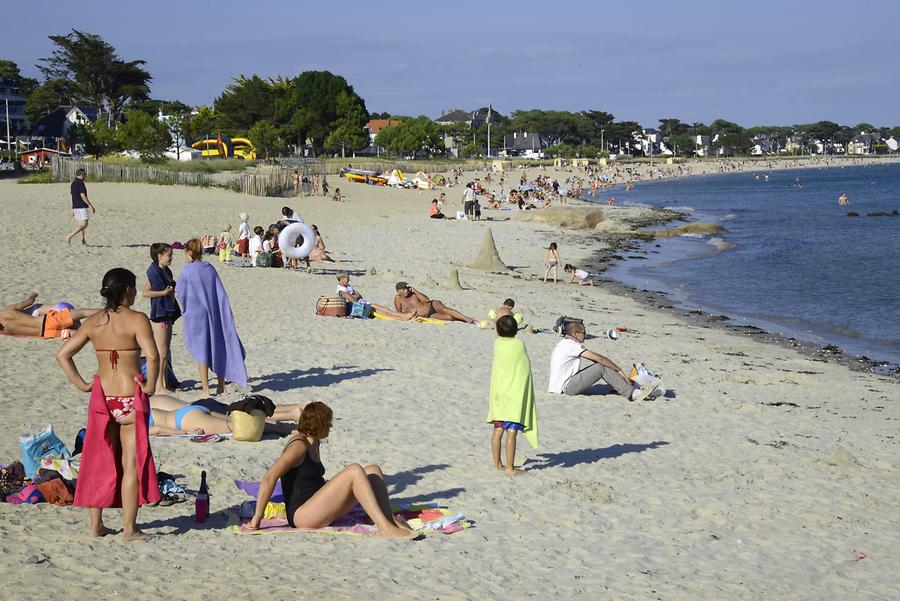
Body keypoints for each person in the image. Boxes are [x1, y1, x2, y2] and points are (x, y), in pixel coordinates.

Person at [56, 268, 161, 539]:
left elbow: (63, 355)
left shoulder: (94, 322)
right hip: (129, 399)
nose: (136, 293)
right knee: (131, 463)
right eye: (134, 289)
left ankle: (96, 525)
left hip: (103, 398)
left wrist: (82, 384)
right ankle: (129, 528)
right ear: (126, 291)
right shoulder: (138, 320)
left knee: (98, 460)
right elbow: (153, 356)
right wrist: (150, 386)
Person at [247, 402, 415, 538]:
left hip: (317, 505)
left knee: (373, 470)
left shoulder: (315, 441)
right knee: (354, 470)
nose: (331, 426)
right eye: (328, 423)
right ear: (318, 425)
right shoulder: (298, 446)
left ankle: (389, 521)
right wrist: (257, 518)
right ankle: (384, 528)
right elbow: (269, 477)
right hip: (302, 515)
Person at [177, 238, 248, 396]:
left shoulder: (187, 270)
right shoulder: (209, 268)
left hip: (197, 315)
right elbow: (218, 290)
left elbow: (181, 292)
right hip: (214, 312)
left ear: (189, 252)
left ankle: (205, 389)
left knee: (201, 350)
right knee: (217, 346)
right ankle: (221, 385)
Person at [547, 321, 662, 401]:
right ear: (576, 334)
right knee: (601, 366)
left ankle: (619, 386)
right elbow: (599, 358)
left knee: (600, 365)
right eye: (584, 333)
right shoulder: (571, 345)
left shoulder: (564, 343)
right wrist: (619, 370)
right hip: (565, 388)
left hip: (561, 386)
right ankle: (632, 394)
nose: (585, 336)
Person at [487, 315, 538, 475]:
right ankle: (510, 468)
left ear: (497, 331)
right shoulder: (519, 344)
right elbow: (524, 368)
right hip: (514, 394)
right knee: (511, 432)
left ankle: (497, 464)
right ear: (516, 330)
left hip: (499, 394)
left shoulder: (497, 344)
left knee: (498, 430)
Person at [148, 394, 308, 436]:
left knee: (240, 426)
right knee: (237, 418)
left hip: (184, 421)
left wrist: (184, 433)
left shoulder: (131, 424)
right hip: (189, 410)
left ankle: (292, 429)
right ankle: (293, 419)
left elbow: (157, 430)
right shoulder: (141, 406)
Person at [142, 243, 181, 393]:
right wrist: (163, 293)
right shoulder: (154, 273)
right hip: (159, 316)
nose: (171, 257)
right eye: (169, 255)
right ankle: (159, 386)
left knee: (164, 353)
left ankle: (163, 383)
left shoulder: (165, 271)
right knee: (161, 353)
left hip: (166, 314)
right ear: (159, 256)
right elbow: (145, 293)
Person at [0, 293, 99, 338]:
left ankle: (105, 336)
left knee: (82, 335)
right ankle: (112, 312)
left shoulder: (3, 331)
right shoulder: (8, 310)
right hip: (47, 321)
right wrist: (33, 294)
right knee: (84, 313)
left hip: (47, 333)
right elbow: (29, 302)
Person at [335, 272, 414, 320]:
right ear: (341, 278)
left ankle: (405, 315)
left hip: (363, 303)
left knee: (385, 308)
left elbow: (359, 296)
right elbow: (354, 300)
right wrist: (356, 296)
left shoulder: (347, 286)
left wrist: (357, 296)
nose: (349, 279)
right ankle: (403, 318)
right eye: (347, 278)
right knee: (384, 313)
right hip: (359, 307)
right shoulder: (342, 290)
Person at [393, 282, 474, 323]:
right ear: (398, 291)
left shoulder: (414, 293)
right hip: (428, 316)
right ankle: (463, 320)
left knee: (446, 310)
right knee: (449, 318)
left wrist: (416, 291)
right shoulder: (398, 299)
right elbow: (399, 312)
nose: (406, 290)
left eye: (406, 288)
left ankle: (466, 318)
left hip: (432, 305)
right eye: (403, 289)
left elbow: (427, 300)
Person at [66, 168, 95, 246]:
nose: (85, 176)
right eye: (85, 175)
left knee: (80, 225)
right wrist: (90, 205)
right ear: (82, 175)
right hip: (81, 206)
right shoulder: (80, 183)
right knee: (84, 224)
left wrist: (72, 208)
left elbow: (72, 196)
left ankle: (83, 241)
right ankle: (69, 236)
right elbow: (82, 195)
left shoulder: (73, 183)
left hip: (75, 206)